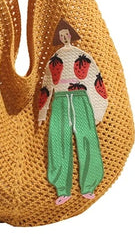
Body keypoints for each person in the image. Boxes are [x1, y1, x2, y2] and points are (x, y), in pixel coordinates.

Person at [38, 18, 109, 205]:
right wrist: (42, 112)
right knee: (58, 139)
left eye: (66, 34)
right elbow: (47, 85)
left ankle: (89, 186)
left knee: (87, 138)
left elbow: (95, 80)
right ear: (58, 38)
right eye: (61, 35)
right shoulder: (54, 58)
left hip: (80, 98)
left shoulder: (82, 55)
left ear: (71, 35)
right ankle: (62, 189)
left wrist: (98, 109)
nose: (64, 38)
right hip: (60, 100)